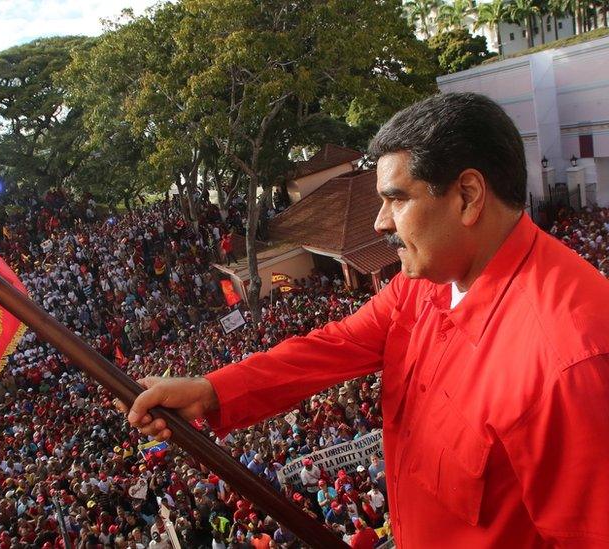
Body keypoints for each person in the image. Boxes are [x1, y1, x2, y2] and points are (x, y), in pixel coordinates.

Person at [121, 92, 609, 547]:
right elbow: (330, 347)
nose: (380, 222)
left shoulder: (571, 359)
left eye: (396, 198)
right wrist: (211, 390)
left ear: (467, 196)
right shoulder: (428, 284)